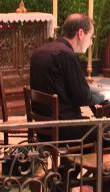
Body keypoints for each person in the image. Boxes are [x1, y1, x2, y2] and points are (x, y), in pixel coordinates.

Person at [29, 13, 105, 142]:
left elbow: (66, 87)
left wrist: (92, 92)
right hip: (66, 129)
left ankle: (71, 162)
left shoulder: (39, 52)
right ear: (81, 33)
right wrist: (103, 97)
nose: (91, 42)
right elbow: (82, 96)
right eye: (91, 37)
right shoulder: (66, 54)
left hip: (43, 128)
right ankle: (80, 162)